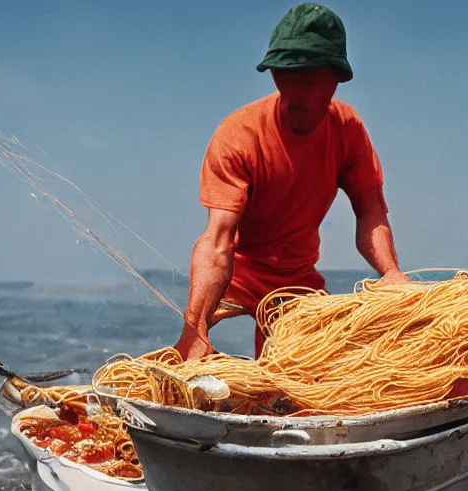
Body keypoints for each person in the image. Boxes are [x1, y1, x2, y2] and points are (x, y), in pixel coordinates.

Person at [174, 2, 409, 361]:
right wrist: (196, 325)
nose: (294, 93)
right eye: (284, 76)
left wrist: (391, 273)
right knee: (190, 348)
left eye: (309, 80)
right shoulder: (239, 134)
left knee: (313, 376)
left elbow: (371, 212)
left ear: (336, 79)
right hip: (237, 272)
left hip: (297, 279)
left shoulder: (348, 130)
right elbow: (217, 239)